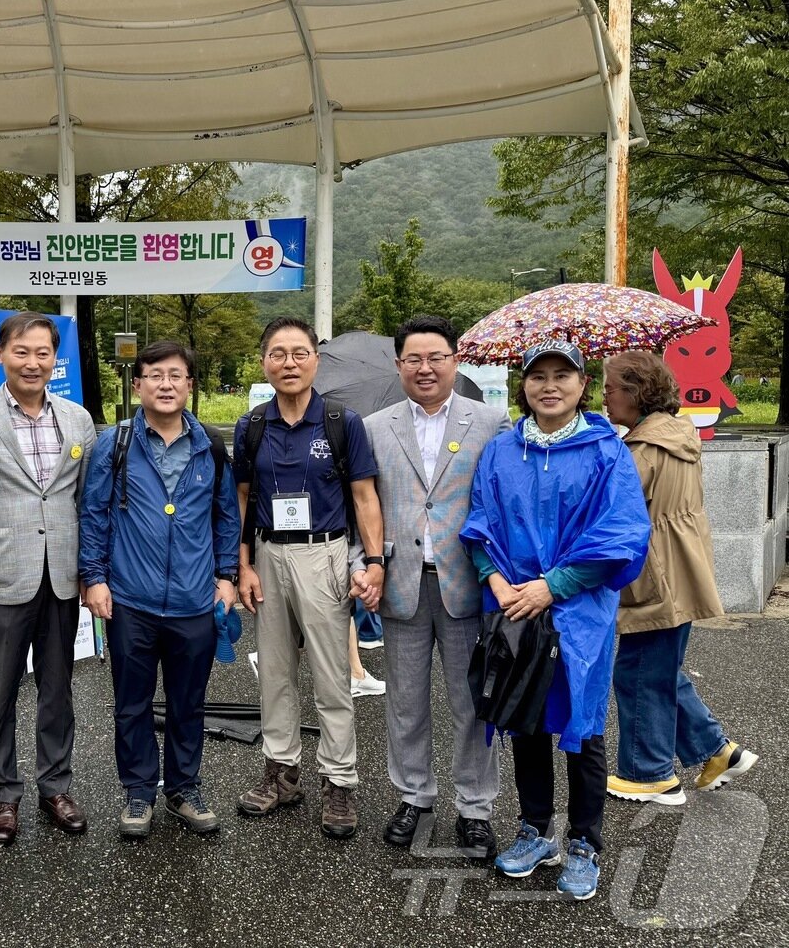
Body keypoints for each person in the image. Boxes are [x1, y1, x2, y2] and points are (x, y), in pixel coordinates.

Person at [461, 340, 650, 901]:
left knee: (581, 727)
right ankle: (535, 829)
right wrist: (495, 580)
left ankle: (586, 840)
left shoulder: (605, 452)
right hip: (515, 607)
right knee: (525, 717)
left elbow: (619, 534)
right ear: (523, 385)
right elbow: (479, 525)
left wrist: (554, 585)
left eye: (561, 375)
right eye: (537, 375)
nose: (549, 385)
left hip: (578, 613)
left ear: (583, 384)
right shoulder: (500, 452)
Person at [0, 311, 97, 846]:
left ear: (56, 360)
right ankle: (2, 794)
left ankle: (55, 785)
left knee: (58, 689)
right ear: (1, 354)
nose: (33, 362)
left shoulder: (78, 419)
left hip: (61, 576)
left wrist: (90, 570)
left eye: (43, 353)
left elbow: (87, 502)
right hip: (1, 574)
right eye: (22, 352)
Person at [79, 341, 241, 838]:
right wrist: (94, 577)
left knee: (188, 702)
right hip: (131, 598)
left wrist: (227, 576)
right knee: (131, 703)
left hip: (194, 599)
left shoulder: (211, 445)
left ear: (190, 384)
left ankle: (184, 788)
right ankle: (138, 791)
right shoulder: (117, 443)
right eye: (155, 376)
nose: (166, 384)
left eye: (176, 375)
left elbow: (225, 515)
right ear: (138, 386)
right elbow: (94, 512)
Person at [234, 317, 386, 840]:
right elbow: (243, 500)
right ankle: (282, 773)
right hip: (270, 554)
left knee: (330, 677)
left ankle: (339, 780)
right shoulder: (252, 425)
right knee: (274, 673)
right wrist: (244, 564)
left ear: (315, 361)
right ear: (264, 363)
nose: (290, 363)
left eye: (300, 353)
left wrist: (372, 561)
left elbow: (365, 497)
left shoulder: (344, 422)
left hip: (325, 554)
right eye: (278, 353)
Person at [363, 315, 508, 856]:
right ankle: (414, 796)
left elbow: (504, 503)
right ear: (398, 364)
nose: (425, 368)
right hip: (400, 581)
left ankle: (475, 807)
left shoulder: (492, 422)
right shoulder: (375, 426)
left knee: (474, 701)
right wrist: (365, 561)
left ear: (455, 359)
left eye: (436, 357)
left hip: (469, 582)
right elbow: (364, 505)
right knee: (404, 702)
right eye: (413, 359)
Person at [602, 351, 758, 804]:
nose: (604, 397)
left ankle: (648, 773)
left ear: (635, 393)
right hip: (681, 568)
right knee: (659, 667)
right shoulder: (678, 434)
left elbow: (611, 514)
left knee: (637, 672)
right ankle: (716, 750)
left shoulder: (642, 451)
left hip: (654, 575)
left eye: (610, 388)